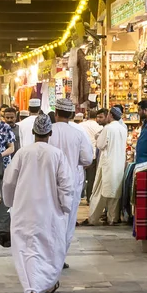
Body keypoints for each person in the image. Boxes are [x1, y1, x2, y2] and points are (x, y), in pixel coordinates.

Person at [3, 114, 73, 293]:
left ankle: (33, 290)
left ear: (33, 132)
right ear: (50, 133)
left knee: (27, 249)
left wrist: (9, 202)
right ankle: (48, 283)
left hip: (24, 209)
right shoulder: (57, 154)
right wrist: (65, 206)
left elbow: (9, 182)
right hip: (50, 211)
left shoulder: (22, 153)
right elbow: (66, 185)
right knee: (50, 248)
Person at [49, 98, 93, 258]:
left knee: (50, 219)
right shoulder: (78, 134)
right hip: (71, 182)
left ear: (56, 114)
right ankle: (60, 258)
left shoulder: (48, 132)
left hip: (50, 182)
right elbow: (87, 159)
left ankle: (50, 255)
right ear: (71, 114)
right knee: (68, 220)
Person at [88, 107, 128, 226]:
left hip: (107, 163)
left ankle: (93, 218)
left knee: (100, 191)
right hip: (119, 164)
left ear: (110, 115)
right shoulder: (123, 128)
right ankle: (113, 218)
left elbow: (100, 145)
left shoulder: (108, 128)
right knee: (115, 191)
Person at [78, 108, 101, 203]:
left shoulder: (80, 125)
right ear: (96, 117)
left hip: (81, 153)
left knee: (80, 177)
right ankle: (89, 198)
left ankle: (79, 196)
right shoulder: (99, 127)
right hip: (93, 154)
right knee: (91, 178)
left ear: (87, 115)